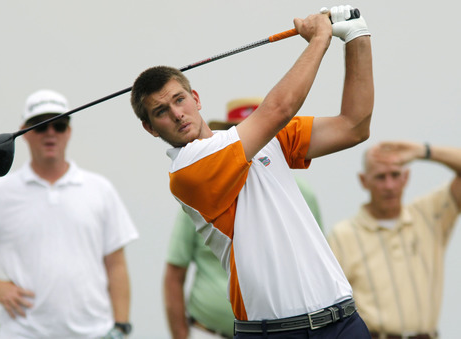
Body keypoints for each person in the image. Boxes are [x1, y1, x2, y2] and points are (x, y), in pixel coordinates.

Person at [131, 5, 373, 338]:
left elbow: (353, 126)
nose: (177, 114)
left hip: (343, 320)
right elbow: (279, 109)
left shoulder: (255, 139)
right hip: (275, 332)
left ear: (196, 98)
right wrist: (319, 38)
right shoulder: (188, 170)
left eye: (180, 99)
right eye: (161, 111)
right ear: (150, 129)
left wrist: (357, 36)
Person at [0, 89, 139, 338]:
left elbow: (116, 265)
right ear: (23, 132)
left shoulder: (100, 189)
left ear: (69, 130)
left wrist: (121, 327)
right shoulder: (0, 193)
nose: (50, 133)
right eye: (40, 126)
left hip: (95, 333)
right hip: (22, 333)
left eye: (59, 125)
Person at [163, 98, 324, 339]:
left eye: (254, 132)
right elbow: (175, 274)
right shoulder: (199, 194)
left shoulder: (302, 193)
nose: (245, 142)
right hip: (208, 332)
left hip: (288, 331)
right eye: (236, 134)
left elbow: (315, 261)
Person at [327, 141, 461, 339]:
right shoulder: (342, 235)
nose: (389, 185)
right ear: (364, 181)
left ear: (406, 177)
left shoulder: (430, 214)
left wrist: (422, 151)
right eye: (381, 177)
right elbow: (330, 307)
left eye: (395, 175)